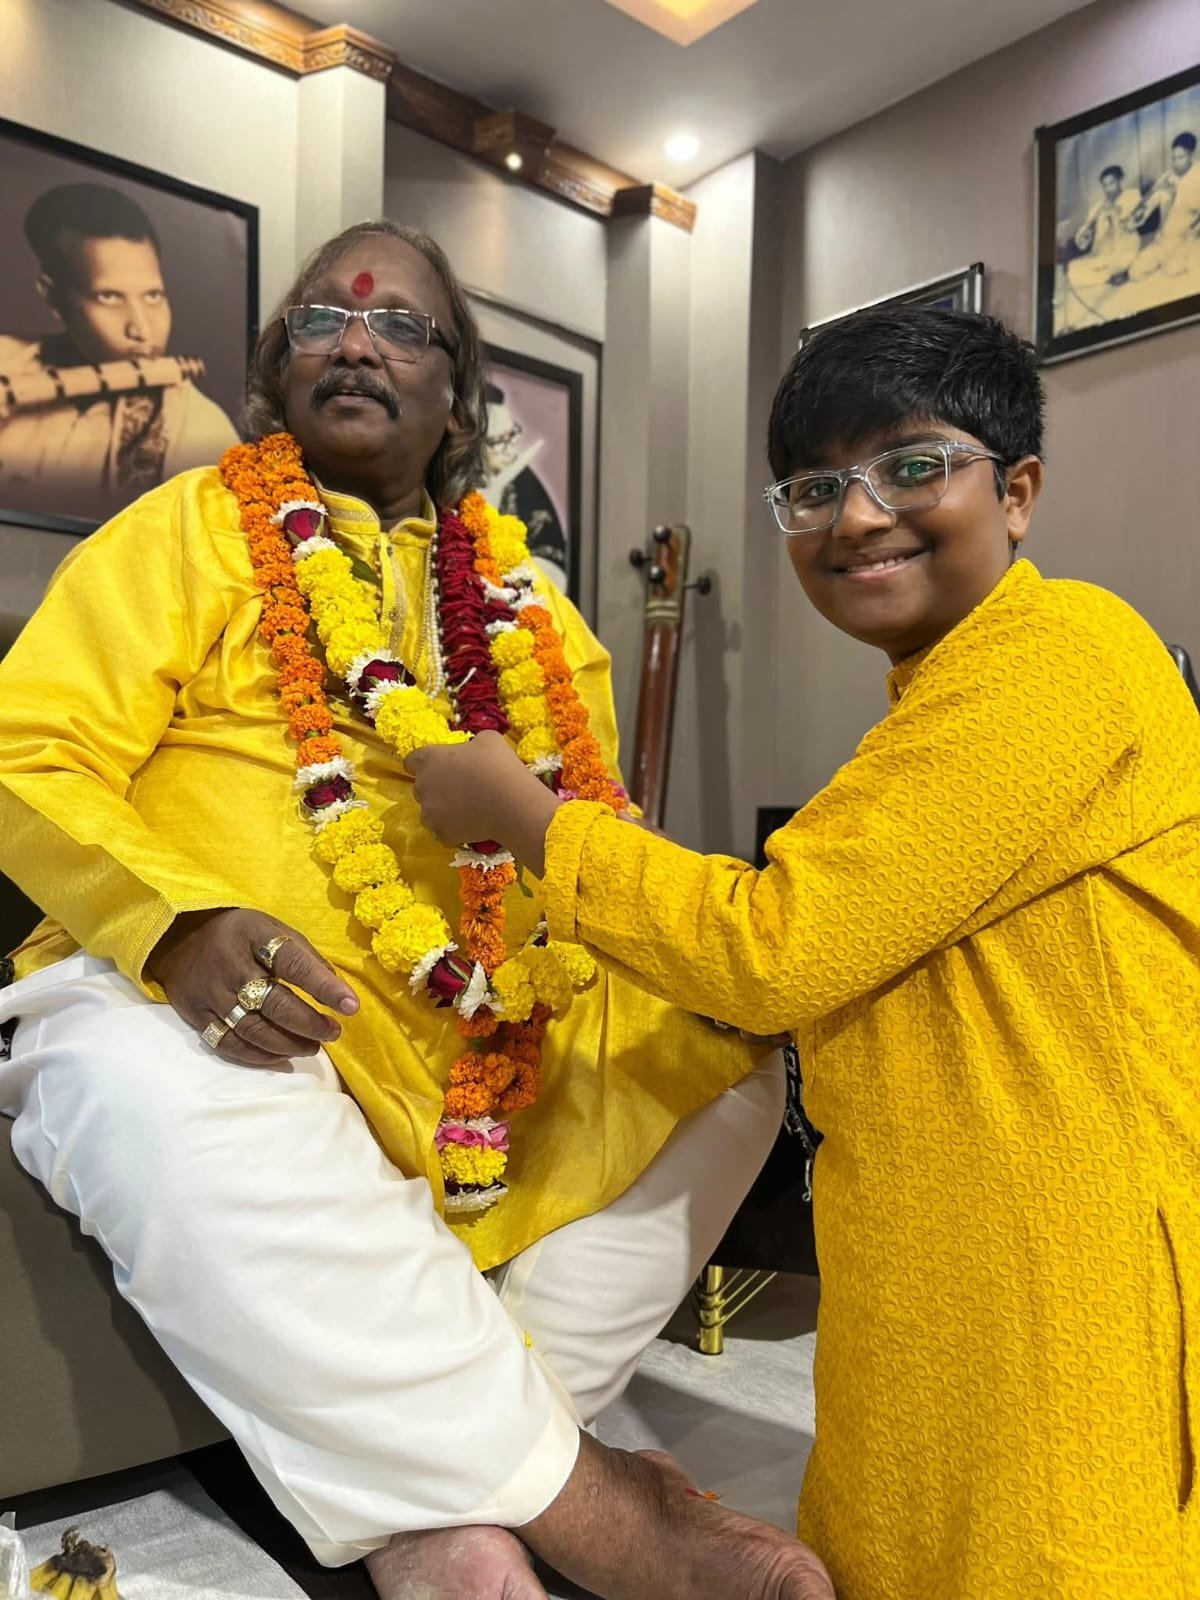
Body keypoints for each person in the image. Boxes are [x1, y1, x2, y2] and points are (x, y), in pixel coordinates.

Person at [0, 219, 835, 1600]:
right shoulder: (188, 529)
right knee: (133, 1070)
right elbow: (25, 748)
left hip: (465, 1040)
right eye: (322, 319)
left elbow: (585, 850)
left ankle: (443, 1497)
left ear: (459, 394)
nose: (356, 341)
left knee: (726, 1051)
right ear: (278, 366)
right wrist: (171, 925)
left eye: (399, 327)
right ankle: (584, 1497)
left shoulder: (542, 620)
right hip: (231, 992)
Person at [407, 306, 1200, 1600]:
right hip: (932, 1284)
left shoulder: (1067, 654)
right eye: (816, 487)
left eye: (913, 464)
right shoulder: (936, 705)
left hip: (1063, 1307)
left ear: (1022, 492)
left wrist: (529, 821)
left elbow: (779, 944)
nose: (856, 515)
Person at [0, 182, 238, 521]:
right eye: (109, 297)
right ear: (53, 298)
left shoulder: (200, 428)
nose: (140, 329)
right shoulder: (7, 360)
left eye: (153, 296)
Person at [482, 379, 571, 592]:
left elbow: (555, 571)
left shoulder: (520, 477)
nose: (511, 447)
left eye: (513, 433)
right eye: (499, 440)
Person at [1132, 131, 1200, 280]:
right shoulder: (1167, 177)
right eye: (1173, 158)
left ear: (1191, 155)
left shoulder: (1198, 175)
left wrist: (1193, 234)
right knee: (1135, 273)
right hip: (1162, 241)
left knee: (1173, 272)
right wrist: (1139, 213)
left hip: (1186, 241)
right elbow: (1148, 204)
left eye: (1180, 158)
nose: (1176, 163)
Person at [1065, 162, 1142, 290]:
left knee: (1121, 265)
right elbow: (1086, 228)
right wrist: (1086, 232)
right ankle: (1109, 277)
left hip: (1127, 247)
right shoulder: (1101, 204)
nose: (1108, 189)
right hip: (1107, 252)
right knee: (1072, 270)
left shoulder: (1132, 195)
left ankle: (1114, 273)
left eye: (1111, 183)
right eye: (1105, 186)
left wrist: (1111, 210)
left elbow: (1130, 220)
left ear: (1120, 180)